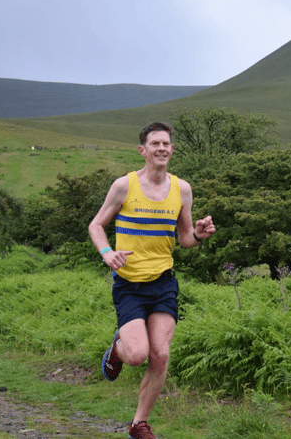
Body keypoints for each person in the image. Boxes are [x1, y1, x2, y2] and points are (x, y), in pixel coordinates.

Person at [89, 121, 215, 439]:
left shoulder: (181, 189)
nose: (161, 148)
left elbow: (184, 237)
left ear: (172, 150)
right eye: (155, 143)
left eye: (166, 144)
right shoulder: (124, 186)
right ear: (142, 150)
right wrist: (106, 252)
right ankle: (117, 350)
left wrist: (198, 235)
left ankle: (138, 423)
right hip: (129, 284)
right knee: (137, 355)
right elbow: (96, 225)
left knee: (161, 353)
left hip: (162, 282)